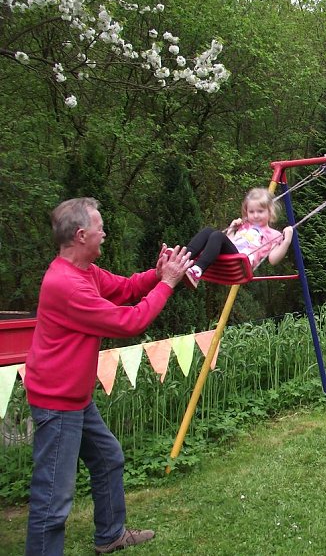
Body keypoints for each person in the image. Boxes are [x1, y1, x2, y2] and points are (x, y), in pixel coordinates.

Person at [25, 198, 195, 555]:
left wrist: (157, 272)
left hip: (75, 398)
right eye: (100, 227)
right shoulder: (67, 285)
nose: (105, 233)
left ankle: (110, 535)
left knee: (107, 458)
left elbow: (127, 288)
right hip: (58, 404)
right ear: (81, 234)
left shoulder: (85, 271)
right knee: (53, 500)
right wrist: (167, 283)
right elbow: (129, 321)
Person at [183, 188, 293, 288]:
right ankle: (182, 258)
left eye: (260, 211)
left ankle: (197, 271)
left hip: (241, 262)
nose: (255, 215)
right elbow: (230, 243)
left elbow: (273, 260)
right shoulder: (245, 226)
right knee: (208, 231)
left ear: (270, 211)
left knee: (217, 235)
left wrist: (286, 241)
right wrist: (231, 229)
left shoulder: (273, 234)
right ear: (246, 212)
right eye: (251, 211)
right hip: (231, 255)